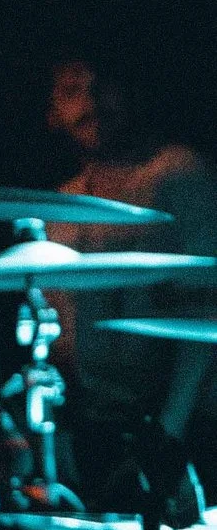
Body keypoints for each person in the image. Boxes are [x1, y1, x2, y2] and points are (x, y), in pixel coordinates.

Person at [46, 47, 217, 459]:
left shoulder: (180, 174)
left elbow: (205, 318)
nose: (90, 105)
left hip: (193, 426)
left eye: (102, 88)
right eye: (72, 92)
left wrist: (168, 436)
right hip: (101, 427)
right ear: (51, 114)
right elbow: (59, 339)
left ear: (131, 93)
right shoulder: (56, 208)